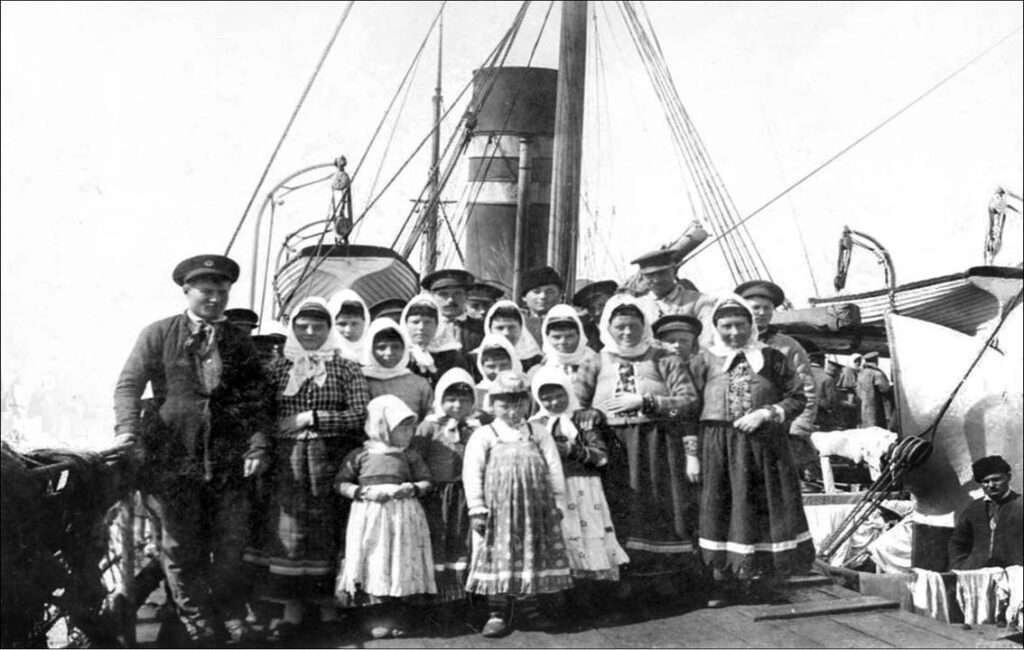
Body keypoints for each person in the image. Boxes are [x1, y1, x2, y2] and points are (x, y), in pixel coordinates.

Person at [113, 254, 272, 645]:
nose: (215, 298)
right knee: (180, 547)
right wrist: (128, 432)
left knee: (231, 547)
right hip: (173, 459)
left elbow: (259, 397)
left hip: (228, 460)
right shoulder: (158, 333)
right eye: (206, 291)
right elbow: (129, 385)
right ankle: (196, 621)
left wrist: (258, 443)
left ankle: (223, 612)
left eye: (222, 291)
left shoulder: (238, 340)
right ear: (187, 291)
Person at [254, 297, 370, 640]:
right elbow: (261, 414)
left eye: (317, 327)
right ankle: (291, 610)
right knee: (289, 531)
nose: (309, 333)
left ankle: (328, 608)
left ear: (328, 329)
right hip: (286, 460)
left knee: (327, 527)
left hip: (330, 456)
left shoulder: (345, 368)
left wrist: (312, 417)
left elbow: (359, 414)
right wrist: (281, 428)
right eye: (302, 327)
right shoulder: (276, 369)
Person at [693, 295, 813, 607]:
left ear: (751, 324)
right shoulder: (704, 358)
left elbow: (797, 397)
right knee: (722, 508)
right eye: (726, 326)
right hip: (718, 445)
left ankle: (764, 582)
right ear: (716, 327)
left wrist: (767, 413)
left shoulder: (772, 358)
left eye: (740, 325)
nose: (734, 332)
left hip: (764, 446)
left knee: (764, 507)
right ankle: (723, 583)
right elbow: (691, 403)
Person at [592, 293, 702, 603]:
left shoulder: (664, 358)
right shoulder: (596, 359)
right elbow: (577, 398)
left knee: (658, 505)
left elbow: (689, 400)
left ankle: (664, 582)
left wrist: (648, 401)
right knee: (621, 506)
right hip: (613, 444)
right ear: (608, 327)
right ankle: (621, 584)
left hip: (655, 441)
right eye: (620, 327)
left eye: (633, 326)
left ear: (644, 325)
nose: (627, 333)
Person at [463, 371, 573, 637]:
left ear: (528, 403)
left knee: (528, 557)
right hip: (499, 513)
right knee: (499, 558)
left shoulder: (538, 433)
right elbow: (472, 472)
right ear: (492, 405)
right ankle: (497, 613)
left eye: (519, 403)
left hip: (534, 511)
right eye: (505, 404)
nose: (513, 410)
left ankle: (529, 609)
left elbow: (554, 468)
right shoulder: (484, 435)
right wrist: (477, 508)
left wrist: (557, 502)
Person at [529, 367, 629, 618]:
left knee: (589, 536)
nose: (553, 402)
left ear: (568, 390)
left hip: (584, 488)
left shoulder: (585, 418)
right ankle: (562, 604)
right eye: (546, 398)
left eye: (558, 395)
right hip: (553, 490)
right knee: (560, 538)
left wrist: (574, 451)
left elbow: (602, 456)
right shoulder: (535, 424)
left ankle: (593, 601)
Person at [335, 395, 436, 639]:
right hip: (371, 517)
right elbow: (340, 483)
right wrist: (362, 492)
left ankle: (397, 614)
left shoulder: (408, 455)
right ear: (383, 426)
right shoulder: (361, 455)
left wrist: (412, 488)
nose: (409, 432)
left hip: (403, 518)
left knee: (399, 561)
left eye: (411, 426)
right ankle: (375, 615)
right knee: (375, 560)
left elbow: (427, 481)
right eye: (403, 427)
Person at [409, 368, 482, 615]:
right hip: (437, 495)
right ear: (440, 399)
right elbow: (416, 457)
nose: (457, 405)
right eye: (451, 399)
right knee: (437, 539)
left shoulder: (477, 426)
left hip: (465, 493)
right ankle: (436, 599)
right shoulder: (429, 427)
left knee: (462, 540)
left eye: (464, 399)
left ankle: (461, 596)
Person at [949, 455, 1022, 570]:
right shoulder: (973, 509)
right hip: (978, 577)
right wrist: (961, 567)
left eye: (996, 479)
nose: (991, 485)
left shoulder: (1020, 504)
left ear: (1008, 477)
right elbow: (958, 542)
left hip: (1014, 576)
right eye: (986, 481)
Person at [632, 248, 716, 347]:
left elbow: (708, 340)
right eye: (650, 275)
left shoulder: (700, 301)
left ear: (674, 271)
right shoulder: (638, 307)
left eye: (662, 273)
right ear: (643, 277)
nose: (657, 280)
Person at [361, 317, 433, 425]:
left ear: (404, 348)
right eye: (381, 347)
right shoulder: (360, 381)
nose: (389, 353)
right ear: (370, 349)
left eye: (395, 347)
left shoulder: (419, 384)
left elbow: (428, 420)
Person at [400, 293, 472, 386]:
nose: (421, 327)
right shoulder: (400, 354)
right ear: (406, 324)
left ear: (438, 325)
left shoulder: (452, 356)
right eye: (415, 322)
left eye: (427, 322)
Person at [539, 303, 601, 407]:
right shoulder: (544, 365)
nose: (563, 342)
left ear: (579, 335)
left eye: (569, 336)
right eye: (556, 337)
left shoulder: (594, 361)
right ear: (547, 338)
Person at [422, 269, 485, 353]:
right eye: (443, 294)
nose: (450, 300)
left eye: (457, 294)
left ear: (466, 296)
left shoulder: (482, 329)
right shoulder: (424, 328)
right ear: (432, 297)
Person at [483, 299, 543, 372]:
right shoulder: (475, 358)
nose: (506, 333)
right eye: (500, 328)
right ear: (489, 329)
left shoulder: (535, 360)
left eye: (511, 327)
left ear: (521, 328)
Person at [473, 333, 521, 412]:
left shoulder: (524, 390)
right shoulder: (475, 394)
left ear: (513, 363)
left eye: (504, 365)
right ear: (481, 367)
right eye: (491, 366)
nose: (498, 371)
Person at [519, 265, 565, 347]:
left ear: (560, 295)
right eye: (536, 292)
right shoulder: (517, 322)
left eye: (550, 291)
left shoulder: (571, 321)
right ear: (524, 297)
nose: (543, 296)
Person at [572, 280, 617, 352]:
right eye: (591, 308)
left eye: (602, 306)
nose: (597, 313)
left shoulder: (630, 326)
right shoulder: (583, 334)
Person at [328, 289, 370, 363]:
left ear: (365, 323)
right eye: (342, 324)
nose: (348, 330)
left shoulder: (377, 354)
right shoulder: (326, 357)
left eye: (354, 323)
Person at [856, 351, 892, 428]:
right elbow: (885, 389)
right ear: (876, 360)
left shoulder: (861, 373)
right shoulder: (877, 374)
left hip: (863, 407)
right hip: (876, 408)